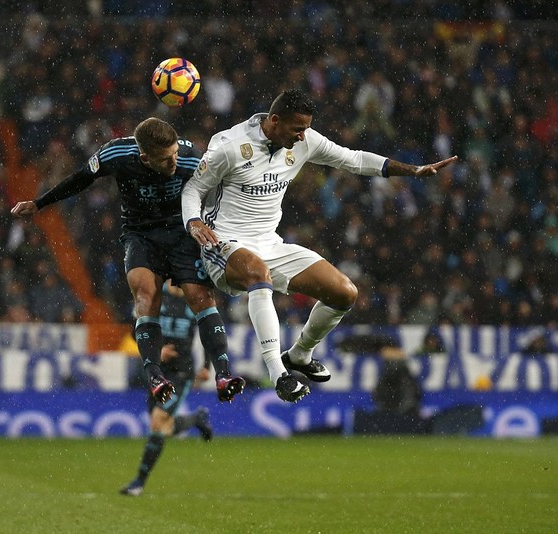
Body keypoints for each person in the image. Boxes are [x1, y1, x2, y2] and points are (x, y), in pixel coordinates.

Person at [182, 89, 458, 402]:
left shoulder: (305, 140)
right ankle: (279, 375)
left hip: (269, 244)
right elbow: (193, 190)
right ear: (274, 121)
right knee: (259, 274)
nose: (303, 137)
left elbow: (352, 159)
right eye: (297, 129)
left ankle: (299, 354)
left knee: (344, 293)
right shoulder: (229, 147)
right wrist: (194, 222)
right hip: (223, 243)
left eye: (305, 129)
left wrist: (413, 171)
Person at [11, 117, 245, 404]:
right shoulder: (116, 154)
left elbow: (229, 188)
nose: (174, 162)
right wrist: (39, 203)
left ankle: (223, 373)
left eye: (174, 154)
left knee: (200, 298)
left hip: (182, 232)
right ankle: (155, 375)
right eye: (165, 159)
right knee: (146, 295)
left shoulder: (193, 158)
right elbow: (81, 178)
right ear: (145, 157)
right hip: (141, 235)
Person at [121, 280, 213, 497]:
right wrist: (156, 350)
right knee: (164, 427)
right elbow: (137, 329)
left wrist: (207, 366)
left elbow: (209, 331)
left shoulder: (195, 298)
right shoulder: (155, 295)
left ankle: (139, 482)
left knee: (158, 421)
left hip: (181, 373)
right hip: (157, 372)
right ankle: (197, 419)